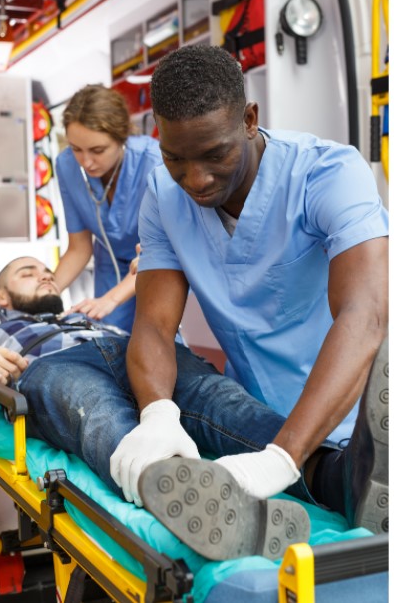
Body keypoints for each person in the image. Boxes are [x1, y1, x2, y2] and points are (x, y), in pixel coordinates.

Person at [106, 45, 389, 555]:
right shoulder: (164, 197)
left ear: (250, 119)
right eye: (175, 158)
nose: (196, 179)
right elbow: (152, 323)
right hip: (254, 420)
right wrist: (157, 416)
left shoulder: (327, 174)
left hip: (356, 420)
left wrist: (282, 458)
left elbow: (364, 315)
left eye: (215, 154)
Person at [0, 255, 387, 560]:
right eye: (29, 273)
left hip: (132, 353)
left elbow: (155, 335)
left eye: (48, 270)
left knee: (226, 404)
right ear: (1, 297)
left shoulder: (92, 315)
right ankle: (187, 498)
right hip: (51, 365)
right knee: (98, 415)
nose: (46, 276)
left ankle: (343, 479)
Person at [54, 84, 162, 333]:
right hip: (109, 264)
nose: (86, 162)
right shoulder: (67, 166)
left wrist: (111, 299)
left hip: (155, 263)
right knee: (108, 338)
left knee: (155, 337)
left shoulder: (154, 163)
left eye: (97, 150)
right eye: (76, 149)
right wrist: (44, 294)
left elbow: (161, 251)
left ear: (122, 136)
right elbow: (79, 248)